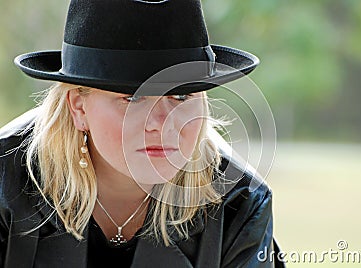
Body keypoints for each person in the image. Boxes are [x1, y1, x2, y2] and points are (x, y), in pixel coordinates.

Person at [0, 0, 284, 267]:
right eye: (133, 98)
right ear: (79, 107)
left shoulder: (240, 204)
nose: (161, 123)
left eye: (181, 96)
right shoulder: (5, 183)